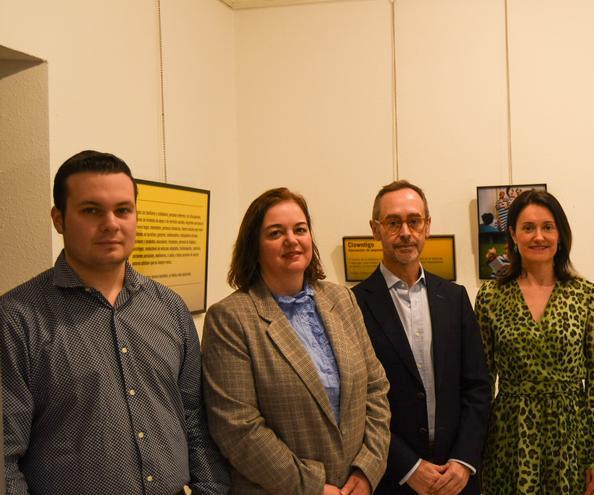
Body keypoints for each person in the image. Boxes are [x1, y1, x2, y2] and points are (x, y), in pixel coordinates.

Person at [1, 150, 229, 494]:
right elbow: (6, 457)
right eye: (91, 210)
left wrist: (209, 487)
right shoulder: (18, 318)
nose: (111, 223)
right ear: (59, 219)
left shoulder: (169, 308)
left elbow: (194, 419)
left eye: (123, 210)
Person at [201, 187, 391, 495]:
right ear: (255, 246)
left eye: (299, 230)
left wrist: (368, 468)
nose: (291, 240)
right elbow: (238, 427)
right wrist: (313, 488)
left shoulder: (341, 299)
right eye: (276, 233)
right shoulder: (230, 318)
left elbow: (376, 388)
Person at [353, 181, 492, 495]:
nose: (405, 232)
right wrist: (407, 466)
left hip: (457, 478)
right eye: (393, 223)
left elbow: (477, 387)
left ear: (427, 226)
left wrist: (463, 460)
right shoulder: (353, 305)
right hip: (392, 479)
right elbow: (356, 403)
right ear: (375, 230)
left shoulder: (455, 298)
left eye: (414, 221)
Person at [475, 190, 594, 495]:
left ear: (560, 234)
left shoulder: (586, 294)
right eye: (528, 228)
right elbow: (481, 382)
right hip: (510, 439)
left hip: (572, 439)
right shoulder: (490, 297)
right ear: (512, 234)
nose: (539, 236)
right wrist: (472, 454)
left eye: (547, 227)